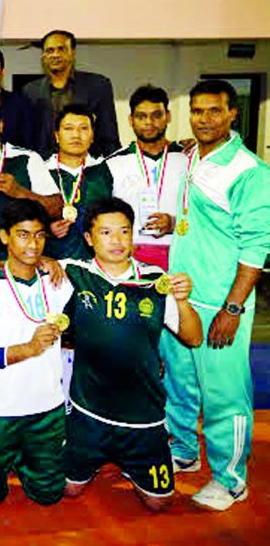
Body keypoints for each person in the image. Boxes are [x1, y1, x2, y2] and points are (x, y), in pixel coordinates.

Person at [162, 80, 270, 511]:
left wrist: (233, 307)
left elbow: (256, 245)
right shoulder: (192, 156)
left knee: (225, 395)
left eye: (214, 111)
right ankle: (184, 451)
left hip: (219, 304)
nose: (204, 119)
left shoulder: (249, 171)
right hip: (181, 298)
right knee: (180, 384)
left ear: (232, 114)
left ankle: (231, 477)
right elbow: (208, 220)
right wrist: (173, 222)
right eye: (198, 111)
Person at [59, 198, 202, 511]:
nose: (117, 241)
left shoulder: (155, 280)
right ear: (89, 238)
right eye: (106, 232)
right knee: (67, 490)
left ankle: (129, 460)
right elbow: (28, 267)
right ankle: (90, 454)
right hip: (89, 412)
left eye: (124, 231)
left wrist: (183, 301)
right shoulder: (74, 274)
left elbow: (193, 337)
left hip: (142, 416)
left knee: (159, 504)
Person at [0, 199, 74, 509]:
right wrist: (27, 349)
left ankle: (26, 462)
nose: (32, 244)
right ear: (4, 237)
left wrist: (48, 260)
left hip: (46, 410)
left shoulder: (59, 282)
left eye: (39, 235)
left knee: (49, 497)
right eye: (22, 235)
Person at [0, 99, 62, 262]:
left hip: (24, 264)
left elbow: (56, 208)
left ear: (1, 126)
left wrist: (20, 192)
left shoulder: (27, 159)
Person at [104, 85, 186, 270]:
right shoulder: (112, 164)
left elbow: (202, 211)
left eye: (157, 115)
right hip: (130, 256)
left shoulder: (188, 159)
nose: (149, 122)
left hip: (181, 252)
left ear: (168, 116)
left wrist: (173, 222)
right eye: (141, 116)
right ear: (131, 120)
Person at [22, 30, 119, 157]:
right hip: (43, 166)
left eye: (61, 49)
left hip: (88, 166)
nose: (55, 55)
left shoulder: (98, 85)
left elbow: (108, 132)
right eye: (49, 51)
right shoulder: (30, 90)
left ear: (72, 53)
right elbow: (27, 137)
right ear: (43, 56)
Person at [44, 104, 113, 260]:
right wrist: (46, 229)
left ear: (92, 135)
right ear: (56, 135)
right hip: (50, 266)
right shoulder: (40, 171)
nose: (76, 135)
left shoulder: (105, 171)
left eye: (83, 128)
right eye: (68, 128)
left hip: (95, 266)